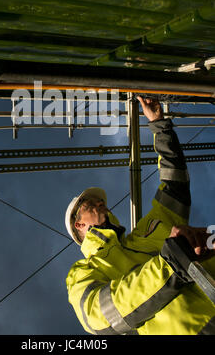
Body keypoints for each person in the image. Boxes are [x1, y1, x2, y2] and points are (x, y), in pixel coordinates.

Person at [65, 96, 215, 335]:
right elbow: (100, 314)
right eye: (89, 203)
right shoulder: (84, 272)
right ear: (79, 224)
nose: (101, 202)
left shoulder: (147, 231)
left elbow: (174, 189)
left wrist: (159, 125)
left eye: (99, 200)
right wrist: (170, 263)